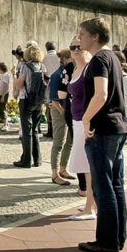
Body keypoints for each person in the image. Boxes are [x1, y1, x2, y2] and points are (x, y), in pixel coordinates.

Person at [78, 18, 127, 252]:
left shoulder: (99, 59)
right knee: (116, 185)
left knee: (103, 187)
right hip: (118, 127)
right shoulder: (114, 58)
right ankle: (118, 237)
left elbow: (101, 94)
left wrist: (87, 119)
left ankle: (106, 241)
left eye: (82, 35)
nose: (79, 39)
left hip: (102, 129)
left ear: (95, 36)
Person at [66, 37, 95, 217]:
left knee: (89, 166)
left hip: (85, 122)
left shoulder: (89, 68)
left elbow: (97, 96)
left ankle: (90, 207)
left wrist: (88, 120)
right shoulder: (76, 68)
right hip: (76, 121)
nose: (76, 50)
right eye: (72, 47)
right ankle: (91, 204)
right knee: (84, 166)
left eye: (79, 46)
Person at [13, 42, 45, 169]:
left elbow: (19, 84)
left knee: (26, 131)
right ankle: (37, 159)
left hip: (26, 99)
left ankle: (26, 160)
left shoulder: (25, 66)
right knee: (35, 130)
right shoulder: (42, 66)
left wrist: (14, 75)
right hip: (38, 100)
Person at [49, 49, 75, 183]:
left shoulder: (72, 72)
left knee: (70, 142)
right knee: (58, 143)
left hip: (69, 111)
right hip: (59, 110)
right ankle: (54, 174)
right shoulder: (57, 74)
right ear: (66, 59)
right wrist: (65, 114)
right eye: (72, 57)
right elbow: (54, 100)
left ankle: (63, 169)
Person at [42, 41, 61, 138]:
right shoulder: (59, 56)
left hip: (48, 83)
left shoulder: (44, 58)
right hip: (59, 82)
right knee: (57, 105)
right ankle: (56, 129)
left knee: (49, 107)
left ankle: (50, 129)